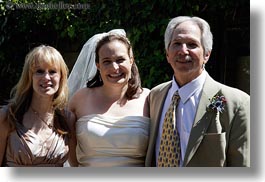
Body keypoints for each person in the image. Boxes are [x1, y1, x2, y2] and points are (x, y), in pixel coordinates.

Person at [145, 16, 250, 167]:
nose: (183, 50)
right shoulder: (155, 96)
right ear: (167, 54)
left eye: (192, 44)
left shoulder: (238, 103)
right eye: (176, 44)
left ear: (206, 54)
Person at [68, 29, 150, 167]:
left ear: (131, 61)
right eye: (107, 62)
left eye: (120, 60)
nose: (114, 67)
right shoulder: (79, 99)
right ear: (98, 65)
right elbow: (69, 151)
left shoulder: (149, 99)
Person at [0, 45, 76, 167]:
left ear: (61, 77)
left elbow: (75, 166)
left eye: (52, 72)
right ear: (29, 77)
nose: (46, 78)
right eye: (39, 71)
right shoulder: (7, 116)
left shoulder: (67, 119)